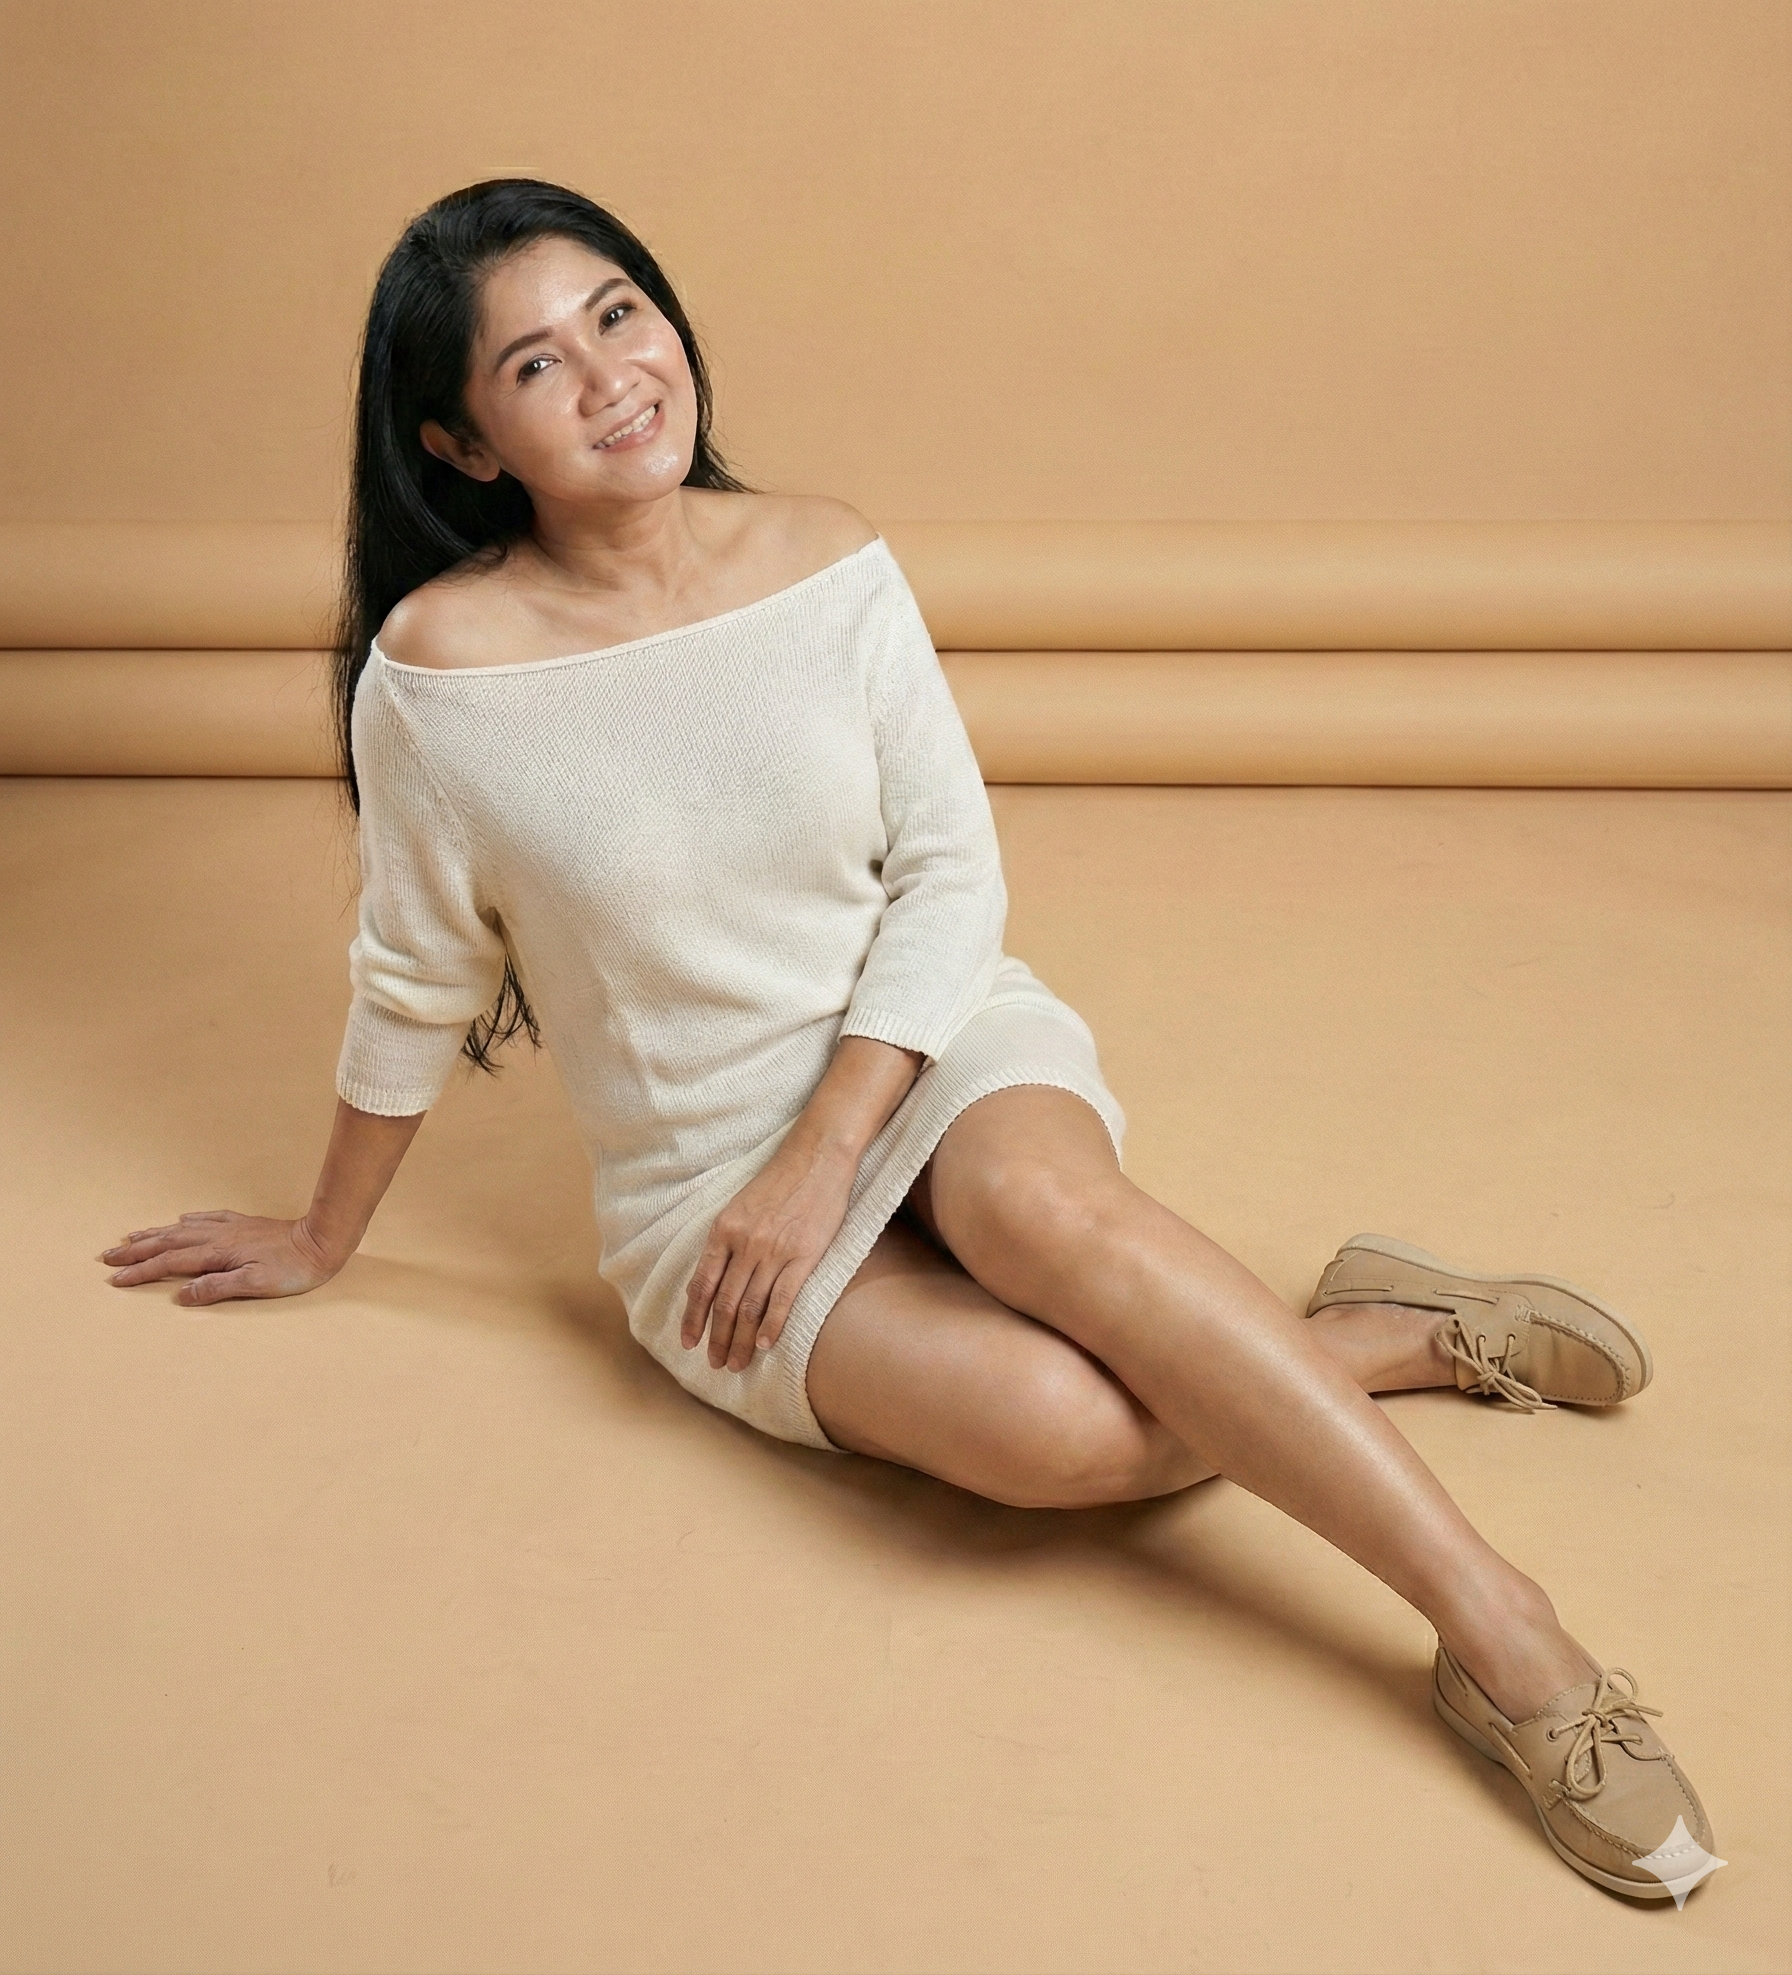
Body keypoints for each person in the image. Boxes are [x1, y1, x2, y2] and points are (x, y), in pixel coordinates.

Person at [101, 179, 1721, 1907]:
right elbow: (416, 974)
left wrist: (831, 1148)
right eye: (536, 364)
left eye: (620, 312)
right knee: (1066, 1430)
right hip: (703, 1186)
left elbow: (949, 872)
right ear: (463, 443)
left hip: (936, 1034)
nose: (612, 375)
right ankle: (1381, 1334)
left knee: (1043, 1213)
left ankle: (1511, 1640)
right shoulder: (442, 676)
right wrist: (321, 1231)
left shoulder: (824, 559)